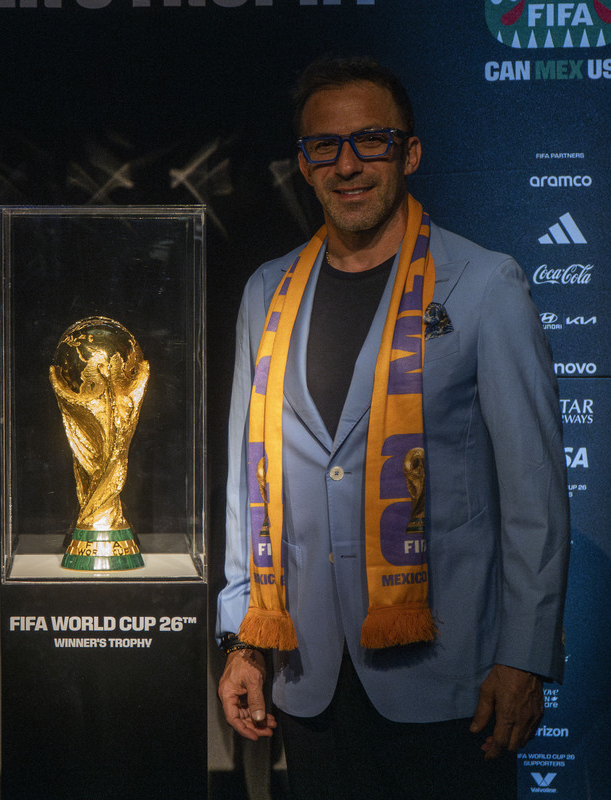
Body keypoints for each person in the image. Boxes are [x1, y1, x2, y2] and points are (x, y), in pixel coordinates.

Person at [215, 56, 569, 799]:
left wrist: (526, 656)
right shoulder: (264, 293)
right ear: (304, 165)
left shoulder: (485, 285)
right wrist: (245, 638)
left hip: (451, 682)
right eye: (324, 147)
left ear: (410, 152)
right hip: (307, 678)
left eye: (370, 141)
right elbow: (246, 490)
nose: (348, 165)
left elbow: (533, 495)